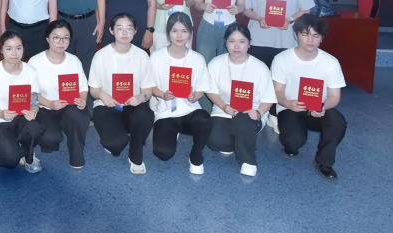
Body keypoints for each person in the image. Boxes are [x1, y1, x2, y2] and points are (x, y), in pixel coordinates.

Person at [271, 14, 347, 181]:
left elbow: (334, 96)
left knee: (337, 121)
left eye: (316, 35)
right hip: (290, 108)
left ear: (322, 38)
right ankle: (290, 142)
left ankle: (324, 162)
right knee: (293, 142)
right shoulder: (282, 59)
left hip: (318, 109)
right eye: (305, 34)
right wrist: (288, 103)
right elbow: (278, 92)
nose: (310, 39)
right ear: (296, 35)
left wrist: (322, 106)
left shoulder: (331, 62)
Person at [205, 24, 276, 177]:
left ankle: (248, 161)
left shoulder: (260, 67)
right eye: (232, 41)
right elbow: (210, 91)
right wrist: (224, 106)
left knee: (243, 121)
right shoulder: (216, 63)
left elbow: (268, 98)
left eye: (242, 42)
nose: (236, 46)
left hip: (251, 113)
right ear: (226, 43)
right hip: (223, 111)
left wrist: (259, 112)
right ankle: (241, 138)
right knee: (214, 142)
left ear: (249, 44)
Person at [89, 13, 156, 174]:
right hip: (106, 105)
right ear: (111, 31)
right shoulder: (100, 56)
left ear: (135, 31)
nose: (125, 33)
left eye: (129, 28)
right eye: (120, 28)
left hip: (131, 105)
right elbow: (94, 90)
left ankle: (136, 155)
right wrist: (103, 95)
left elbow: (148, 90)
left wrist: (141, 97)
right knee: (116, 144)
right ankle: (118, 135)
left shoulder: (142, 56)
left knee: (145, 114)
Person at [150, 12, 213, 175]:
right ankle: (172, 132)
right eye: (174, 31)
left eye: (184, 31)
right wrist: (162, 94)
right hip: (166, 113)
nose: (179, 36)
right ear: (168, 32)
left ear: (190, 33)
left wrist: (195, 96)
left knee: (204, 119)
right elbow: (150, 86)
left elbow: (201, 89)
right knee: (163, 153)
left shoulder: (197, 59)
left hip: (189, 111)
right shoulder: (156, 57)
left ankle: (196, 155)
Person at [0, 30, 45, 173]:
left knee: (34, 128)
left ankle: (29, 156)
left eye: (18, 48)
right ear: (1, 50)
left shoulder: (31, 71)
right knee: (10, 159)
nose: (14, 53)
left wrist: (33, 112)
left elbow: (34, 102)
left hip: (22, 118)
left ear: (23, 49)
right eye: (9, 49)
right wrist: (1, 113)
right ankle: (14, 149)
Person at [28, 20, 90, 169]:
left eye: (65, 38)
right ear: (47, 39)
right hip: (44, 108)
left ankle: (77, 157)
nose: (61, 42)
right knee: (51, 139)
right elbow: (30, 93)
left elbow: (83, 87)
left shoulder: (74, 61)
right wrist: (49, 103)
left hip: (68, 107)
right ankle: (48, 141)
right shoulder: (35, 61)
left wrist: (82, 99)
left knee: (78, 114)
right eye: (56, 37)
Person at [194, 0, 247, 110]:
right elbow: (197, 3)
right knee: (205, 66)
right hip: (208, 26)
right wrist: (204, 6)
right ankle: (205, 107)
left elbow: (242, 5)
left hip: (230, 28)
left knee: (228, 66)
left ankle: (226, 105)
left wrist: (237, 8)